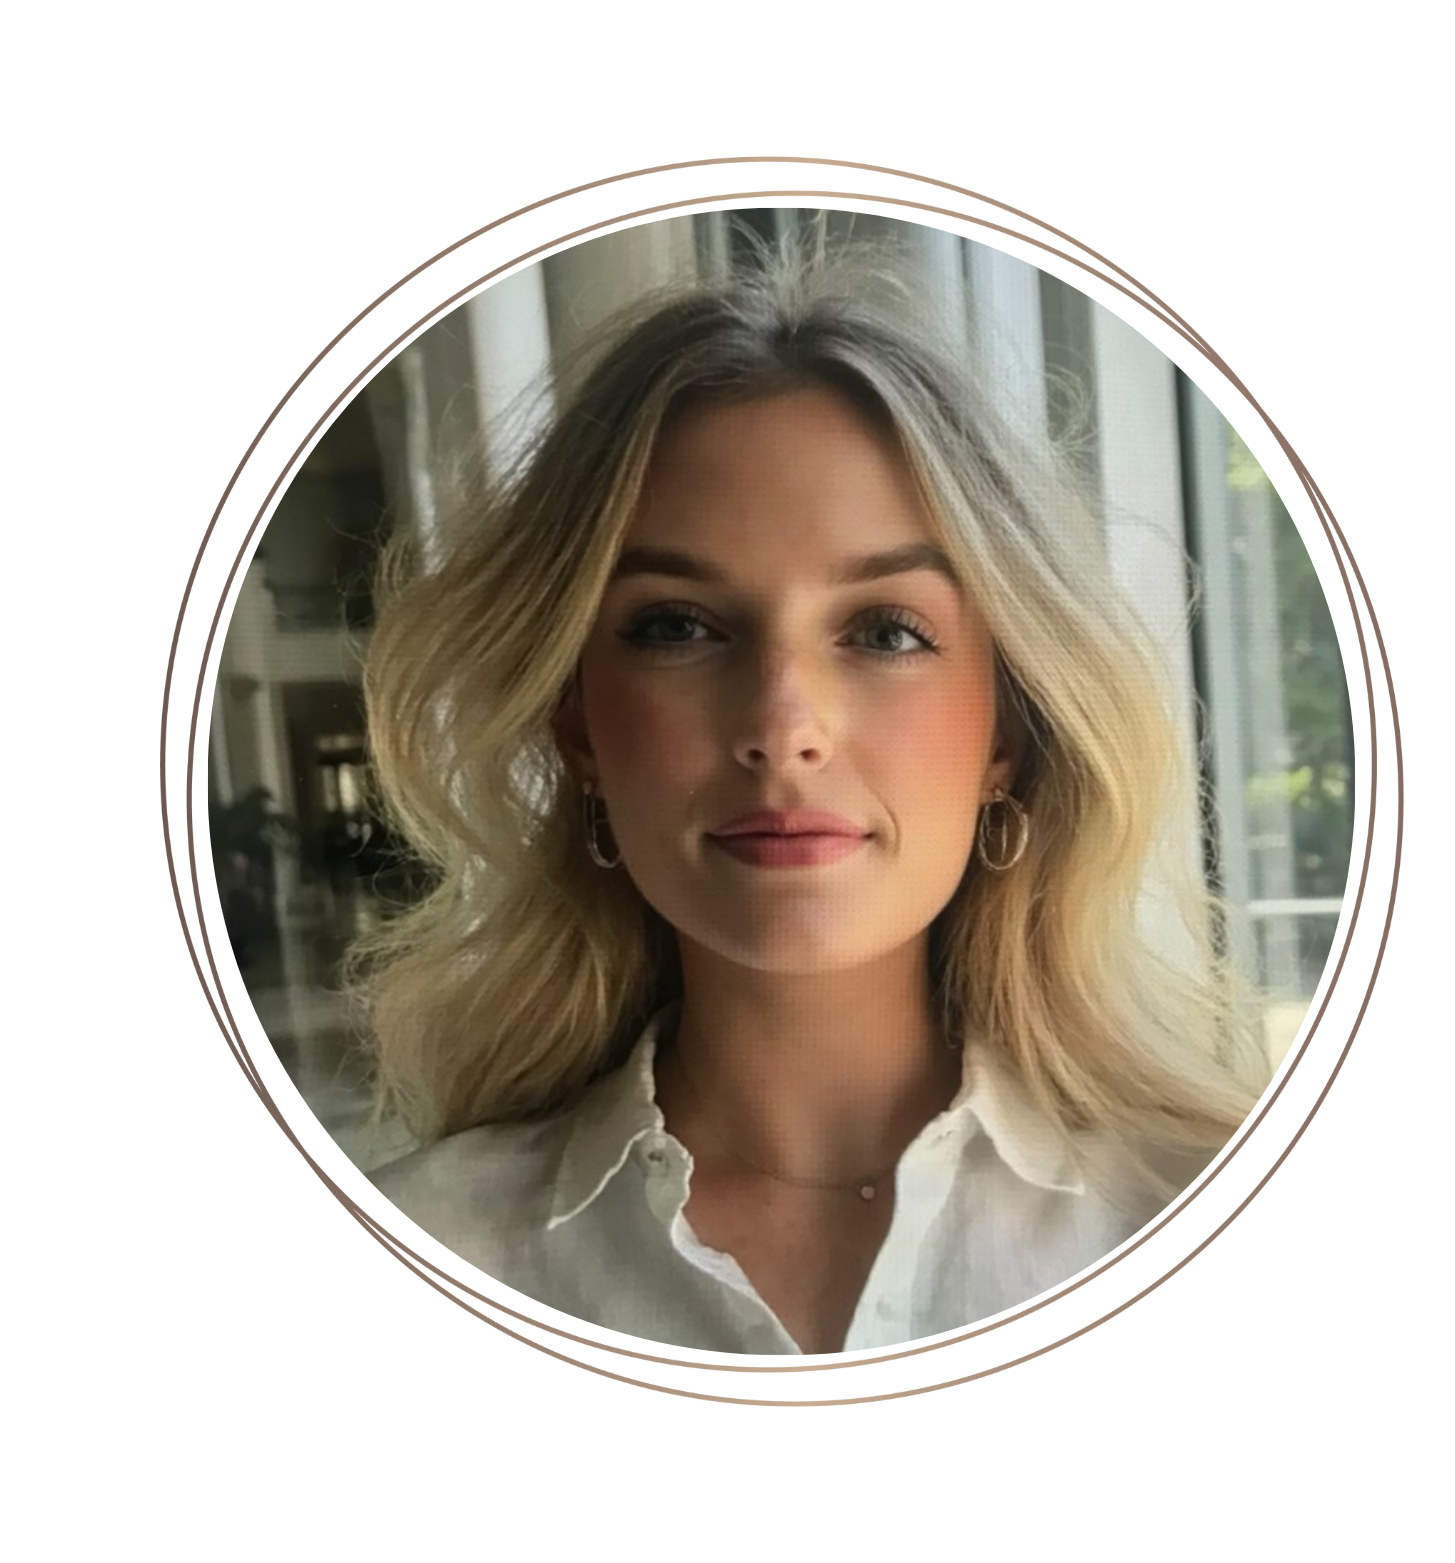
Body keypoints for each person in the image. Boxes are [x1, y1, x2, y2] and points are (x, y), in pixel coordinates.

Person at [353, 241, 1269, 1357]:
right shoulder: (427, 1235)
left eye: (886, 631)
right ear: (578, 724)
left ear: (1010, 734)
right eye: (677, 627)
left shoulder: (1196, 1199)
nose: (783, 726)